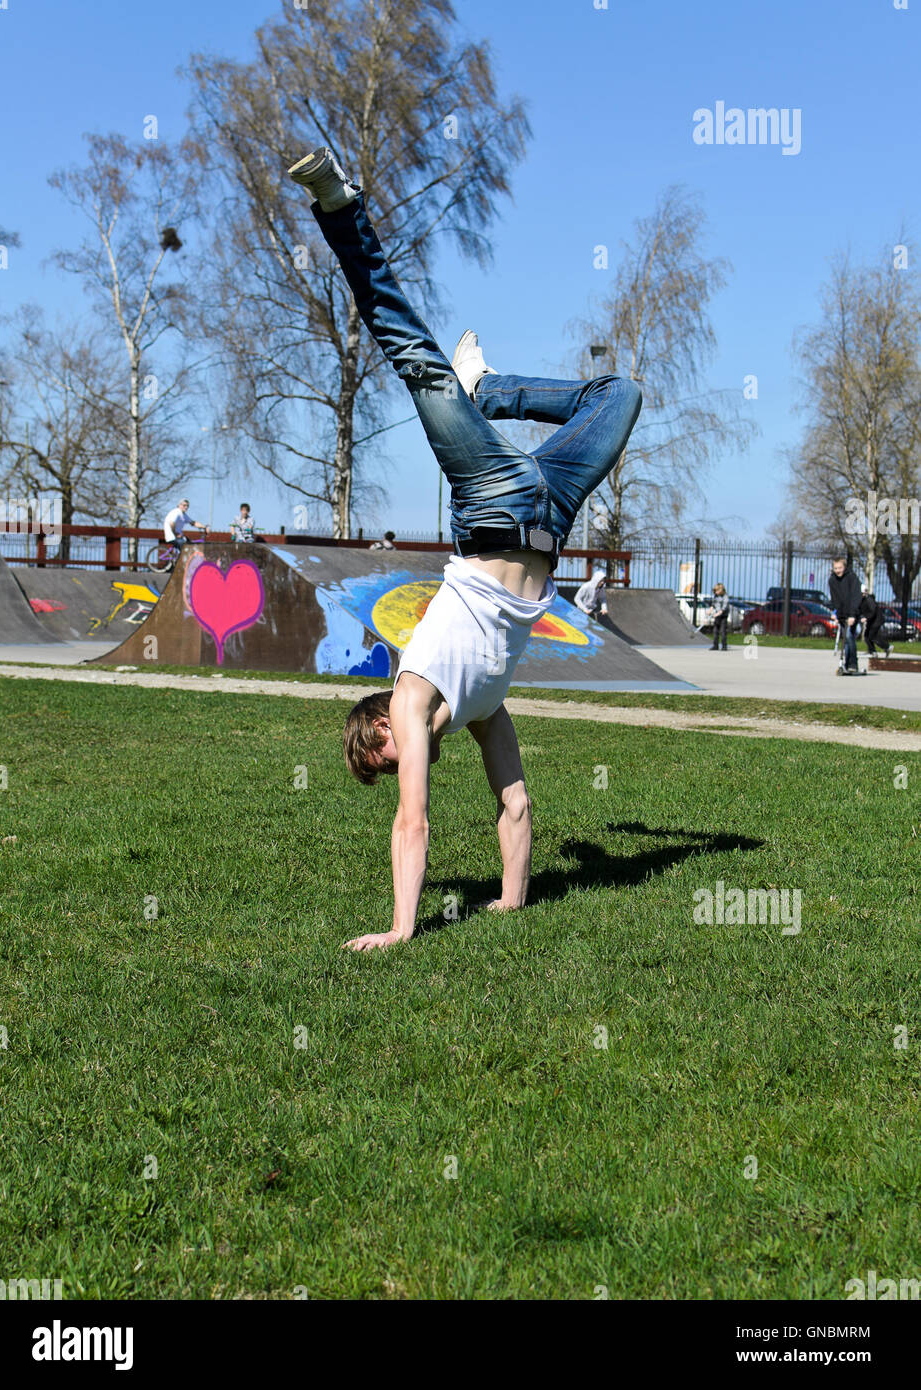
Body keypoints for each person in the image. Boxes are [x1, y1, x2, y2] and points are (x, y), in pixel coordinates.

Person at [288, 148, 642, 952]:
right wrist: (512, 901)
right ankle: (491, 390)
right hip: (551, 511)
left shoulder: (412, 699)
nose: (395, 766)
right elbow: (514, 804)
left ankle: (339, 208)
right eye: (385, 767)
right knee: (620, 394)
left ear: (382, 718)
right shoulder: (482, 711)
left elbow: (412, 824)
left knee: (413, 361)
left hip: (488, 500)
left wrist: (399, 929)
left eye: (378, 752)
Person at [829, 556, 861, 672]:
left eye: (840, 568)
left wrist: (852, 615)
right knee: (847, 639)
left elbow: (856, 596)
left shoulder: (852, 578)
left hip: (852, 613)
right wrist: (835, 613)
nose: (838, 571)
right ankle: (847, 664)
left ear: (844, 567)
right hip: (842, 614)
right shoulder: (832, 580)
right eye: (836, 568)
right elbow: (834, 599)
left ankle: (853, 663)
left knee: (848, 636)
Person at [859, 584, 892, 657]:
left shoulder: (869, 600)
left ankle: (887, 647)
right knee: (867, 636)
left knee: (872, 636)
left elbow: (873, 611)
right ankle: (872, 651)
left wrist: (866, 618)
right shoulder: (863, 600)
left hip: (876, 620)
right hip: (872, 621)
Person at [709, 582, 730, 651]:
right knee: (715, 630)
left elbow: (724, 607)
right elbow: (713, 604)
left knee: (723, 631)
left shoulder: (725, 597)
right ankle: (715, 645)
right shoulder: (715, 596)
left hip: (723, 616)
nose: (715, 592)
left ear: (721, 590)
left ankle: (724, 646)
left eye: (716, 591)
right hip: (717, 615)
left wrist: (718, 614)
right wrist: (710, 610)